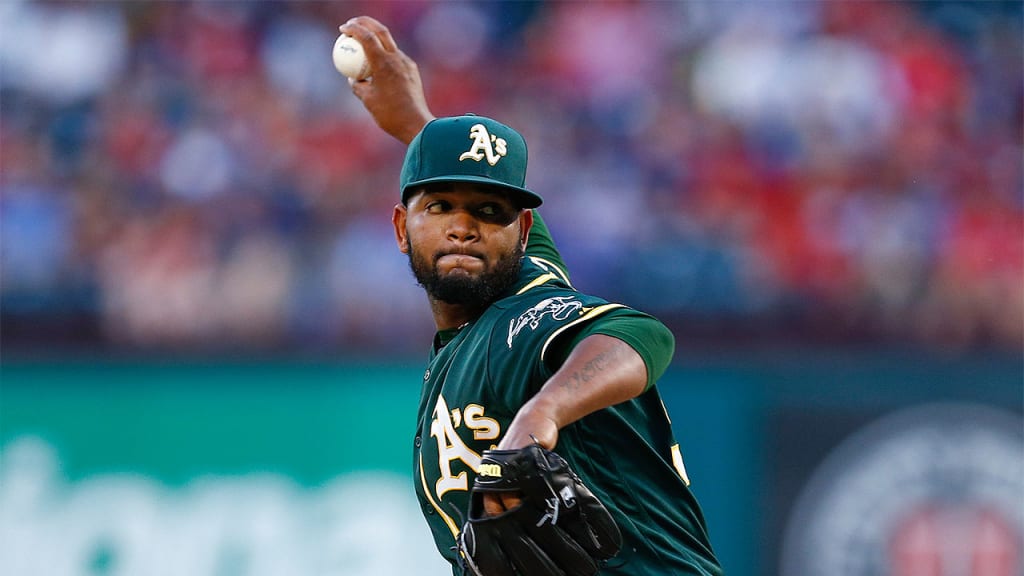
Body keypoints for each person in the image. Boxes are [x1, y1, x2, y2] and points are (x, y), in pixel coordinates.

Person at [339, 16, 722, 576]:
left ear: (518, 234)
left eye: (489, 212)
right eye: (441, 207)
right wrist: (415, 124)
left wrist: (543, 412)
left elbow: (638, 334)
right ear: (401, 229)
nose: (464, 227)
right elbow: (471, 183)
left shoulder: (522, 320)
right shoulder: (519, 285)